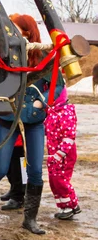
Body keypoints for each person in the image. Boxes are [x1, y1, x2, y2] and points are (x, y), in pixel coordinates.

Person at [0, 14, 64, 235]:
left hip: (35, 121)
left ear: (27, 32)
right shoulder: (7, 55)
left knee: (35, 171)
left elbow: (57, 86)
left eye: (15, 28)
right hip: (8, 119)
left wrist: (42, 101)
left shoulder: (46, 55)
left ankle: (30, 220)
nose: (11, 32)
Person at [44, 86, 81, 219]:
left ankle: (71, 205)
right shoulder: (52, 112)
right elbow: (46, 129)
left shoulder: (66, 112)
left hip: (65, 154)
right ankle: (65, 206)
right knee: (54, 180)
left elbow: (69, 136)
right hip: (53, 153)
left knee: (61, 180)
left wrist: (60, 154)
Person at [0, 119, 26, 210]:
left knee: (17, 169)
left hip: (17, 134)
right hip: (1, 127)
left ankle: (18, 196)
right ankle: (14, 188)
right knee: (6, 168)